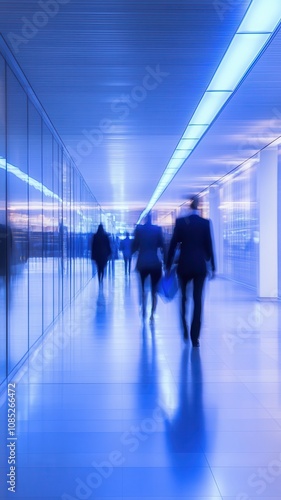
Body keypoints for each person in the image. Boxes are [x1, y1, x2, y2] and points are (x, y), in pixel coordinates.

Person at [166, 196, 216, 346]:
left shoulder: (181, 223)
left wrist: (168, 265)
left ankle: (184, 326)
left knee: (183, 297)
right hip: (200, 267)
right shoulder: (205, 223)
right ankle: (195, 337)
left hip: (184, 266)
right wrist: (213, 266)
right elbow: (209, 247)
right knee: (197, 300)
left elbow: (173, 244)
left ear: (189, 206)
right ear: (199, 206)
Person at [132, 213, 164, 321]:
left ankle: (144, 309)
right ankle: (152, 314)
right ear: (153, 218)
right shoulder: (157, 230)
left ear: (145, 219)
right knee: (154, 290)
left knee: (143, 288)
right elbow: (162, 245)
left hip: (142, 263)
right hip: (155, 263)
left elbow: (134, 246)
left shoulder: (139, 229)